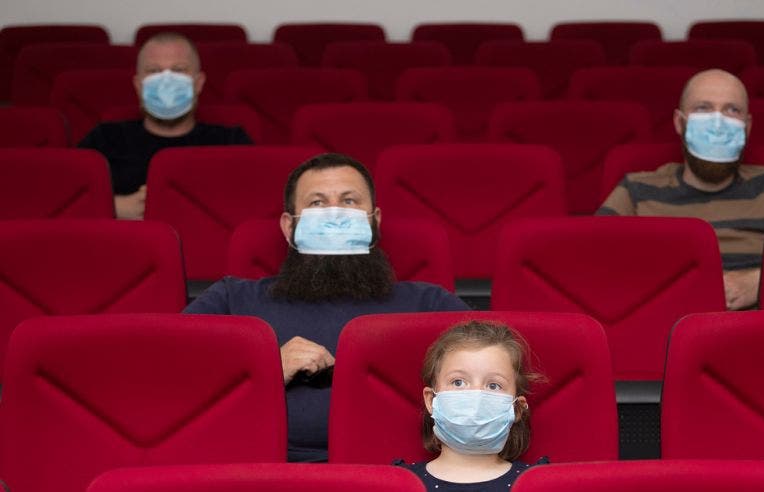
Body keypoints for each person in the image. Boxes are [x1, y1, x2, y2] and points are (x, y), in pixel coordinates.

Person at [184, 152, 469, 462]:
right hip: (265, 469)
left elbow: (502, 362)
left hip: (399, 469)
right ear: (288, 226)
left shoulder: (428, 303)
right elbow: (169, 378)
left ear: (374, 220)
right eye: (317, 203)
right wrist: (264, 368)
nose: (335, 214)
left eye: (349, 201)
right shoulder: (232, 298)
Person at [596, 68, 764, 310]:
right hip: (665, 323)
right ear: (679, 122)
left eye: (732, 110)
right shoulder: (635, 190)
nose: (718, 122)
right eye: (703, 108)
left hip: (760, 329)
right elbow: (595, 263)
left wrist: (759, 281)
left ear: (748, 126)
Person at [78, 32, 251, 220]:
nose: (166, 81)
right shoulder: (103, 140)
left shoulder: (232, 143)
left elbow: (257, 201)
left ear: (199, 83)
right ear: (138, 85)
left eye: (178, 69)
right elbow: (64, 199)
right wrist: (112, 206)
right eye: (154, 71)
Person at [396, 320, 547, 491]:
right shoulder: (399, 483)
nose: (476, 397)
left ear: (516, 408)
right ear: (431, 400)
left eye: (493, 385)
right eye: (458, 382)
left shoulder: (538, 484)